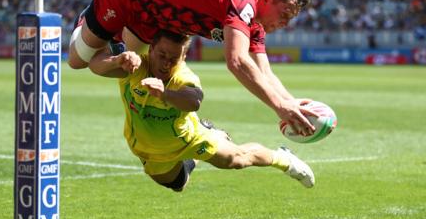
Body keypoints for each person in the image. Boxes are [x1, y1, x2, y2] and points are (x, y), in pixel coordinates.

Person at [68, 0, 316, 136]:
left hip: (150, 19)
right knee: (77, 61)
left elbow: (265, 73)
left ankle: (108, 38)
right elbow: (237, 61)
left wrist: (291, 103)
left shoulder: (254, 24)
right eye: (284, 14)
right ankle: (88, 20)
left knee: (131, 72)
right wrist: (279, 107)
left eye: (290, 19)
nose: (285, 24)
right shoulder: (243, 2)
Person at [91, 29, 315, 191]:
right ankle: (211, 133)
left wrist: (165, 94)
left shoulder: (184, 76)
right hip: (151, 151)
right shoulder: (134, 66)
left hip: (189, 138)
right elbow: (94, 65)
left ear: (184, 57)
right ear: (151, 49)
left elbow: (193, 101)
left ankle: (283, 159)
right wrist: (116, 60)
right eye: (162, 55)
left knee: (236, 159)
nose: (166, 63)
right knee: (177, 184)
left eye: (174, 58)